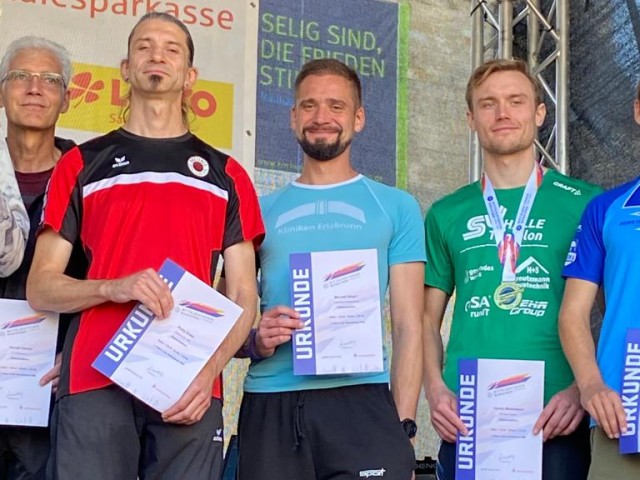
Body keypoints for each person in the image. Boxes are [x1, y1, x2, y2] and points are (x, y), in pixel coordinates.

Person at [26, 13, 263, 480]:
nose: (158, 55)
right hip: (95, 376)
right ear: (125, 69)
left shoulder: (227, 174)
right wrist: (113, 288)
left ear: (190, 76)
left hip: (188, 381)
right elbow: (41, 286)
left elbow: (242, 297)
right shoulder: (80, 164)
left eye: (172, 49)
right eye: (145, 47)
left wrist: (210, 370)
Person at [232, 58, 425, 480]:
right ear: (292, 117)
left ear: (358, 119)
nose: (322, 118)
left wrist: (404, 427)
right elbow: (229, 327)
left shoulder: (396, 207)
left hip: (363, 402)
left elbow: (410, 326)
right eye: (309, 106)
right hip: (271, 401)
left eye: (336, 107)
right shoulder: (258, 213)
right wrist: (256, 341)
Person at [422, 58, 601, 480]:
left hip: (560, 414)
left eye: (516, 101)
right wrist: (435, 389)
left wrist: (584, 387)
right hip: (471, 416)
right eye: (488, 104)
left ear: (539, 113)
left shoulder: (586, 203)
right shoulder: (446, 213)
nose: (502, 114)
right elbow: (426, 320)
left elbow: (614, 313)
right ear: (471, 118)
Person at [0, 35, 85, 480]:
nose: (34, 88)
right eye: (21, 76)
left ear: (66, 99)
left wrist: (77, 353)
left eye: (49, 79)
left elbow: (105, 280)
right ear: (1, 91)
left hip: (52, 388)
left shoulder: (90, 182)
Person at [558, 83, 640, 480]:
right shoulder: (606, 208)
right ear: (638, 111)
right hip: (622, 413)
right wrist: (590, 386)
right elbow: (573, 314)